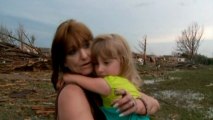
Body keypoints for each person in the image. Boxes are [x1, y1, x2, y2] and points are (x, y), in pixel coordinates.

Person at [51, 19, 160, 120]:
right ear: (63, 61)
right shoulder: (71, 93)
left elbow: (155, 104)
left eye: (86, 45)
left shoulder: (103, 79)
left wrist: (137, 105)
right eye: (72, 52)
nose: (84, 55)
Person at [63, 33, 152, 120]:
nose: (99, 69)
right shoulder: (126, 82)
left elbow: (91, 82)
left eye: (106, 63)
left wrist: (69, 77)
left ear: (122, 61)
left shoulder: (110, 82)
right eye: (96, 64)